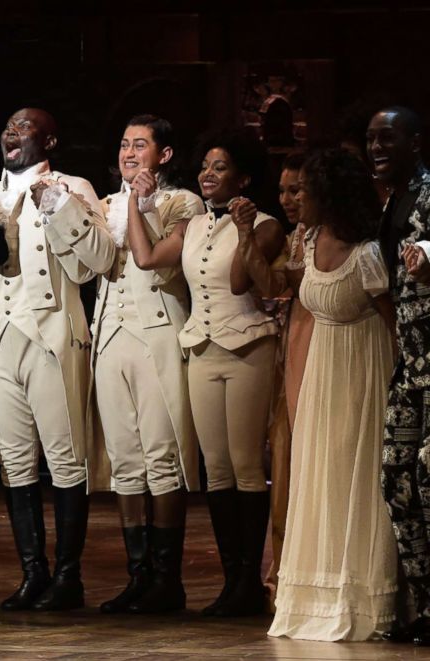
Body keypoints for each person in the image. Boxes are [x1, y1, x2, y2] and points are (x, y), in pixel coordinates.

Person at [0, 108, 108, 612]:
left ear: (49, 138)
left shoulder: (73, 186)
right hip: (1, 335)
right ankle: (33, 574)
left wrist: (59, 207)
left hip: (54, 332)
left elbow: (95, 260)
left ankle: (68, 577)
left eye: (24, 126)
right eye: (7, 126)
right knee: (15, 462)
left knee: (65, 457)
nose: (11, 132)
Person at [127, 129, 284, 617]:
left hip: (247, 347)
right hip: (202, 347)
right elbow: (147, 259)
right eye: (205, 167)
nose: (208, 175)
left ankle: (249, 583)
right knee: (215, 469)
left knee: (244, 464)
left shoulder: (266, 223)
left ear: (244, 178)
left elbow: (241, 279)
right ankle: (231, 580)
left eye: (220, 168)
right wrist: (135, 202)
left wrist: (241, 228)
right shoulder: (193, 224)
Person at [267, 148, 398, 641]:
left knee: (355, 476)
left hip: (364, 372)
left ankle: (362, 598)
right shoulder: (309, 239)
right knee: (319, 475)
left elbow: (394, 324)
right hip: (322, 370)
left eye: (307, 191)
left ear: (330, 195)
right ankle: (312, 597)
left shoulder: (366, 254)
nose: (299, 200)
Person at [85, 115, 203, 615]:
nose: (129, 153)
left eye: (140, 145)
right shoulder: (105, 205)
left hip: (157, 333)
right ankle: (138, 576)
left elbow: (152, 258)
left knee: (162, 457)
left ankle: (166, 579)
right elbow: (89, 264)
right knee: (125, 461)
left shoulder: (183, 203)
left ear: (165, 155)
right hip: (110, 335)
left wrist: (139, 202)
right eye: (123, 144)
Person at [233, 151, 315, 606]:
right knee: (281, 469)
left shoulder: (331, 236)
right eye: (282, 190)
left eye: (297, 189)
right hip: (290, 354)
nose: (287, 199)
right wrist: (245, 233)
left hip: (320, 352)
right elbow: (263, 284)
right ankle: (283, 576)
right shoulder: (294, 236)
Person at [372, 106, 430, 646]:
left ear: (417, 140)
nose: (376, 147)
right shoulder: (389, 198)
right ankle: (424, 605)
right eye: (370, 139)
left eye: (387, 137)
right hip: (409, 364)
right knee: (397, 478)